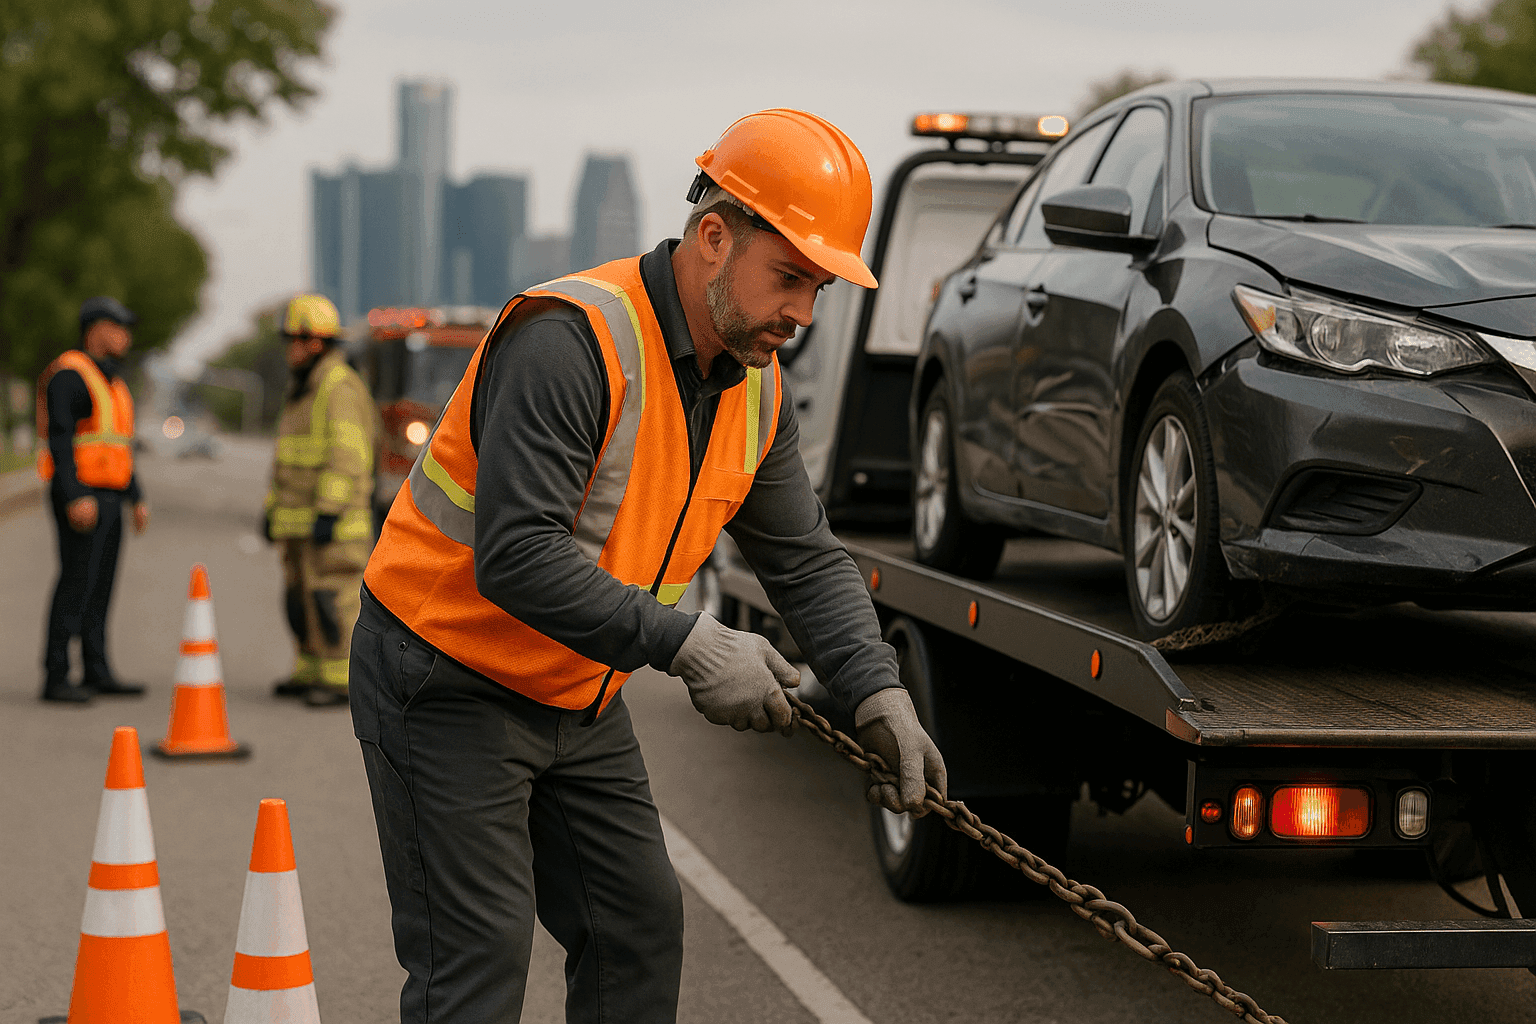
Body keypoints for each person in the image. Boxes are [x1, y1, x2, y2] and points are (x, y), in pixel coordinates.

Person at [353, 109, 948, 1023]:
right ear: (714, 236)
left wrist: (879, 692)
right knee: (476, 964)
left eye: (820, 288)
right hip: (446, 679)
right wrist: (691, 646)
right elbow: (517, 556)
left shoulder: (755, 386)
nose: (802, 314)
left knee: (637, 928)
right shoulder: (570, 340)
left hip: (576, 693)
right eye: (789, 278)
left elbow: (805, 558)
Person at [37, 296, 151, 704]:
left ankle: (97, 670)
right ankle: (55, 675)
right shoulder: (70, 375)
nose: (125, 335)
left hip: (110, 497)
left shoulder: (113, 382)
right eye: (117, 326)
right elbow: (61, 440)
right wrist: (74, 495)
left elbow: (118, 447)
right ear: (95, 330)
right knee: (75, 584)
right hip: (80, 495)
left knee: (101, 587)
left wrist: (136, 497)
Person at [265, 294, 376, 707]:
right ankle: (310, 668)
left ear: (316, 342)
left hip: (333, 523)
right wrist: (271, 509)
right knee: (301, 600)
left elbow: (347, 458)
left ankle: (339, 678)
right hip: (298, 523)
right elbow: (287, 460)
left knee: (332, 601)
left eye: (295, 340)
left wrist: (329, 511)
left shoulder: (337, 386)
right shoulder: (303, 387)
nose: (289, 349)